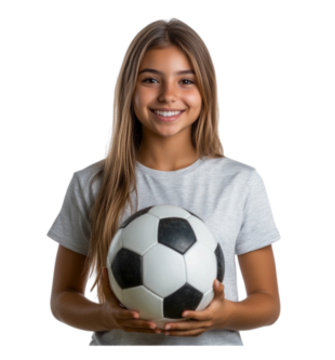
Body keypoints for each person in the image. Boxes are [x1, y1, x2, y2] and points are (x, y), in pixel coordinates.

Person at [45, 18, 284, 347]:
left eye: (185, 80)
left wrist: (224, 314)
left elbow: (269, 305)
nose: (168, 95)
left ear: (205, 91)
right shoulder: (91, 183)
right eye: (151, 80)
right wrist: (106, 316)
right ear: (130, 88)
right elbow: (60, 300)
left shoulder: (241, 182)